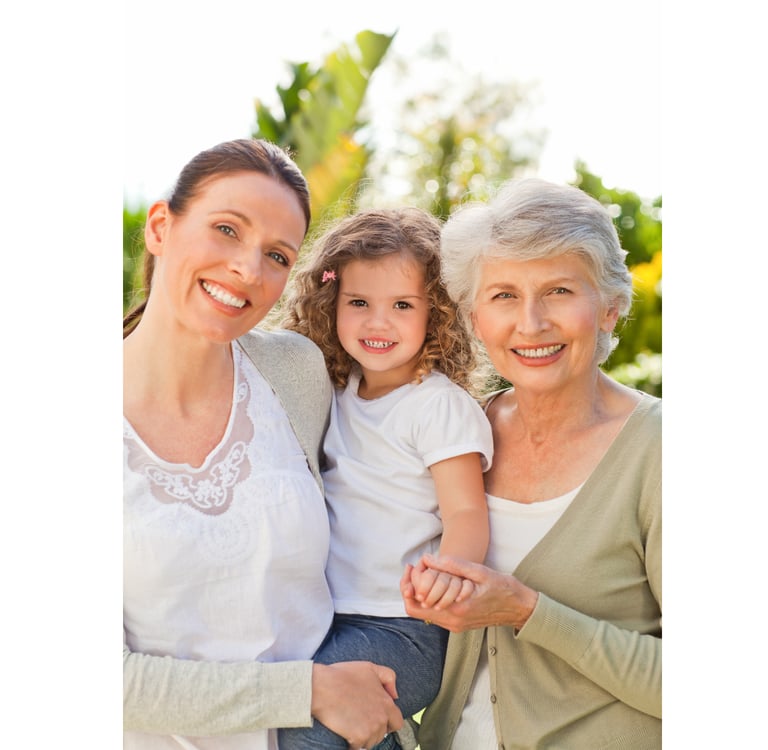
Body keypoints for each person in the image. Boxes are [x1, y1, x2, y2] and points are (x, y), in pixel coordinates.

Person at [123, 138, 404, 750]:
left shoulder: (296, 374)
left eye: (277, 255)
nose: (248, 270)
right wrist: (303, 690)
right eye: (227, 229)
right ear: (160, 226)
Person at [401, 178, 662, 749]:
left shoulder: (662, 450)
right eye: (503, 296)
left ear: (612, 308)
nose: (531, 322)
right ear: (474, 317)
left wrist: (526, 610)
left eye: (560, 291)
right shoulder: (456, 435)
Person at [278, 208, 494, 750]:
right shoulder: (338, 388)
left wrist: (452, 573)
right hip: (327, 618)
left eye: (402, 305)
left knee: (306, 733)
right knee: (305, 720)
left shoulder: (437, 405)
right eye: (359, 303)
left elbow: (465, 512)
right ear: (331, 305)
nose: (379, 322)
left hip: (405, 626)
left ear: (437, 312)